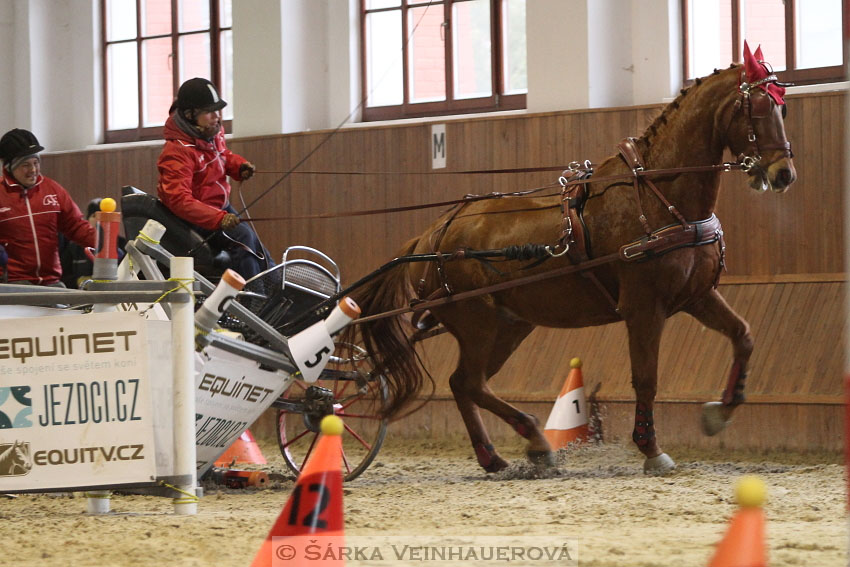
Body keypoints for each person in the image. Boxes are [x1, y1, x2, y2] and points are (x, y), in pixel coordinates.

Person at [157, 77, 271, 280]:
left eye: (218, 111)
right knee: (243, 239)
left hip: (220, 208)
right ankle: (251, 299)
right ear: (190, 114)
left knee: (255, 243)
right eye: (209, 112)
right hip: (195, 217)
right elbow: (178, 200)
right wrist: (217, 218)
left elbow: (223, 156)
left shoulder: (211, 133)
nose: (217, 117)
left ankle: (275, 285)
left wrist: (238, 166)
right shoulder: (176, 151)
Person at [0, 128, 96, 286]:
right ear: (10, 167)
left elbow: (76, 226)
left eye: (36, 163)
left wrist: (104, 244)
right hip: (12, 283)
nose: (33, 170)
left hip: (51, 282)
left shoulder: (53, 190)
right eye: (25, 165)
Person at [59, 198, 127, 288]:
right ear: (87, 220)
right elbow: (63, 276)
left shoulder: (122, 245)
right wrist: (78, 281)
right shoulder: (73, 247)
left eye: (103, 216)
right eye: (94, 216)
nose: (99, 220)